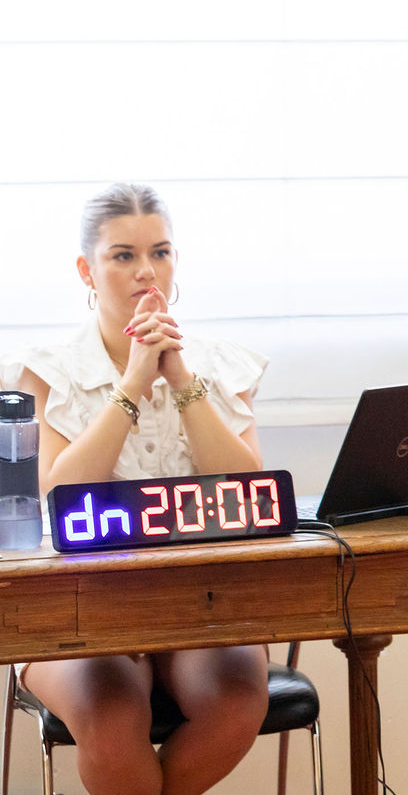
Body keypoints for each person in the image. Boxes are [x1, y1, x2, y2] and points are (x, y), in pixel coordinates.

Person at [15, 184, 271, 795]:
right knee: (111, 720)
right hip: (79, 606)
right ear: (87, 270)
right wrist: (131, 383)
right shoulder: (47, 370)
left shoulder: (221, 365)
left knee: (236, 702)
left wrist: (179, 378)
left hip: (204, 601)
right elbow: (56, 497)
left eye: (160, 252)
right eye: (123, 255)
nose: (146, 271)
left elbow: (249, 491)